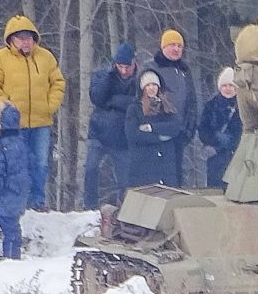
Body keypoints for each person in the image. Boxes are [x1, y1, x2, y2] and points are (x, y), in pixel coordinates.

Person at [0, 16, 65, 209]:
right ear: (11, 40)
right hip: (13, 125)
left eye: (29, 37)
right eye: (21, 38)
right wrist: (6, 106)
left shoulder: (46, 57)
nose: (26, 42)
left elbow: (58, 83)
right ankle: (17, 202)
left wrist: (50, 105)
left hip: (42, 123)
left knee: (40, 163)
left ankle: (37, 202)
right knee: (16, 165)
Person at [85, 44, 141, 205]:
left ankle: (125, 209)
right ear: (114, 64)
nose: (123, 71)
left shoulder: (140, 79)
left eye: (127, 67)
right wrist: (109, 78)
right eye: (120, 66)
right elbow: (97, 98)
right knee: (91, 169)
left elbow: (138, 104)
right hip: (99, 133)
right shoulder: (103, 75)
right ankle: (90, 207)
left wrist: (114, 100)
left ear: (134, 63)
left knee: (125, 180)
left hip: (123, 137)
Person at [147, 30, 198, 181]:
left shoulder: (184, 70)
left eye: (179, 46)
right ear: (163, 47)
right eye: (172, 45)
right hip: (157, 133)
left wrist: (189, 129)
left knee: (176, 175)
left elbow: (192, 102)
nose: (176, 49)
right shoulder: (151, 68)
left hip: (179, 133)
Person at [124, 70, 184, 187]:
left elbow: (175, 127)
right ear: (143, 88)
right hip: (142, 167)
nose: (152, 88)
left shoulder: (167, 107)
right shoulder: (134, 109)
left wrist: (151, 127)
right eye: (148, 85)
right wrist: (160, 138)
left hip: (166, 167)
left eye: (154, 85)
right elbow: (132, 134)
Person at [0, 103, 27, 260]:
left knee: (8, 229)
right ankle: (15, 254)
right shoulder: (21, 143)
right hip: (19, 193)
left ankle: (8, 258)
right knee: (13, 225)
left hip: (4, 195)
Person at [198, 68, 243, 187]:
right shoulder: (210, 105)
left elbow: (245, 131)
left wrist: (230, 142)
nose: (228, 89)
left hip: (237, 156)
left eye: (231, 85)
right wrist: (216, 138)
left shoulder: (243, 106)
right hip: (216, 159)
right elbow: (203, 130)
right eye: (225, 85)